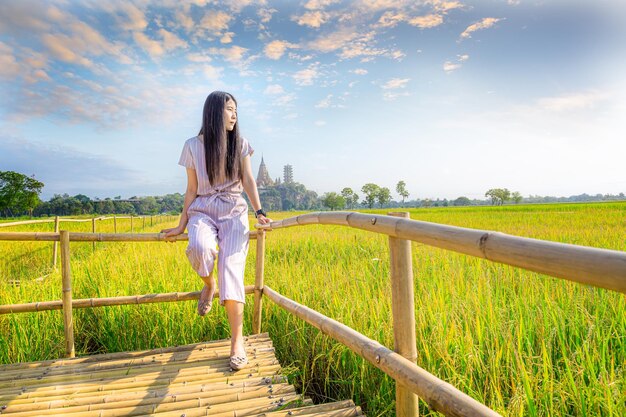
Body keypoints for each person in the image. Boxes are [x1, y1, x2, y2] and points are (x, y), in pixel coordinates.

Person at [161, 91, 270, 371]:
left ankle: (237, 342)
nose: (235, 115)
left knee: (232, 270)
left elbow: (247, 179)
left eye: (236, 110)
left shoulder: (241, 144)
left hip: (234, 209)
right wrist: (181, 224)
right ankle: (209, 285)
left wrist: (259, 212)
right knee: (199, 247)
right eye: (230, 109)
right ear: (214, 112)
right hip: (203, 208)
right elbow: (191, 189)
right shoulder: (192, 146)